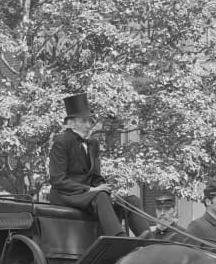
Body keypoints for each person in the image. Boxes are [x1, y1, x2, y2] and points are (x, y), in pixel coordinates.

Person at [47, 92, 147, 237]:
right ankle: (119, 239)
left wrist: (104, 187)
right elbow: (58, 180)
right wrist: (90, 190)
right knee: (100, 196)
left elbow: (95, 177)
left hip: (89, 197)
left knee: (132, 200)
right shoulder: (61, 142)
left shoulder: (93, 144)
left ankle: (148, 240)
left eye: (90, 121)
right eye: (84, 121)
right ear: (72, 123)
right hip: (66, 196)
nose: (89, 125)